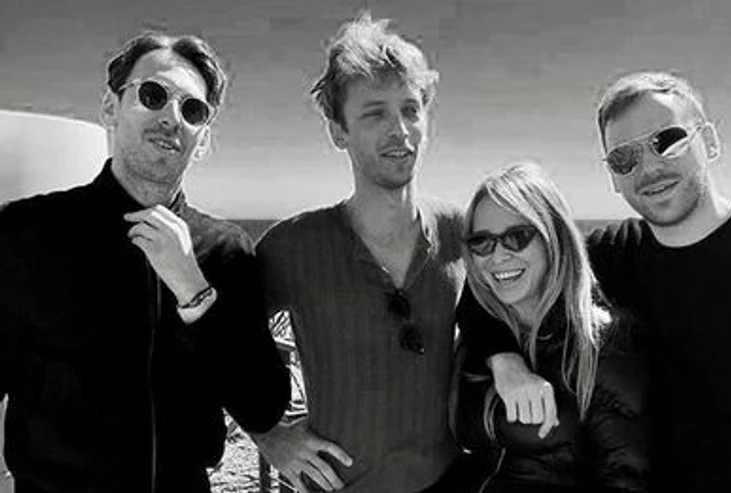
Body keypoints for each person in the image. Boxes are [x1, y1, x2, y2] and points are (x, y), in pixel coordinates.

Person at [0, 33, 290, 493]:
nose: (171, 118)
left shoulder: (226, 250)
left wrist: (195, 292)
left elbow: (263, 406)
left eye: (192, 110)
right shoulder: (27, 232)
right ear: (111, 108)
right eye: (153, 95)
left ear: (203, 140)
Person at [253, 12, 476, 493]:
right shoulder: (292, 246)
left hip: (449, 480)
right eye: (374, 113)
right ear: (338, 131)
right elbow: (221, 346)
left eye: (411, 109)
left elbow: (505, 322)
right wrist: (269, 435)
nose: (400, 130)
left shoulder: (461, 230)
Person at [585, 71, 731, 492]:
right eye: (624, 158)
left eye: (668, 141)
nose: (650, 167)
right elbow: (506, 284)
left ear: (710, 142)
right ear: (613, 176)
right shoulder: (612, 255)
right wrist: (505, 363)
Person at [454, 162, 649, 493]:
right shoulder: (482, 333)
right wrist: (503, 361)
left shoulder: (602, 345)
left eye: (517, 237)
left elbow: (625, 476)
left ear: (553, 239)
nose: (498, 256)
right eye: (482, 241)